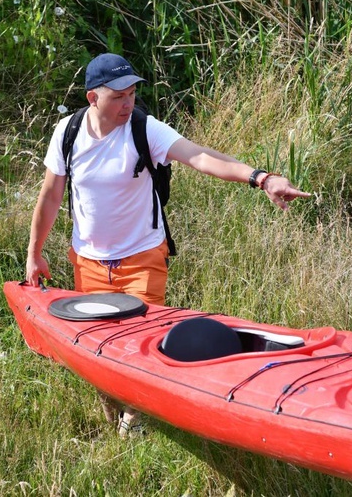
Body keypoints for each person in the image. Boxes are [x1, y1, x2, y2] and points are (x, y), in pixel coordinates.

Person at [25, 53, 311, 437]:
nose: (129, 103)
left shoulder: (145, 129)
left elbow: (201, 157)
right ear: (94, 98)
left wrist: (261, 178)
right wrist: (34, 252)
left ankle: (134, 423)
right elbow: (50, 196)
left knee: (142, 348)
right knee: (100, 349)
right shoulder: (68, 131)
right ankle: (114, 421)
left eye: (132, 93)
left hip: (142, 258)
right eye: (119, 97)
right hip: (89, 261)